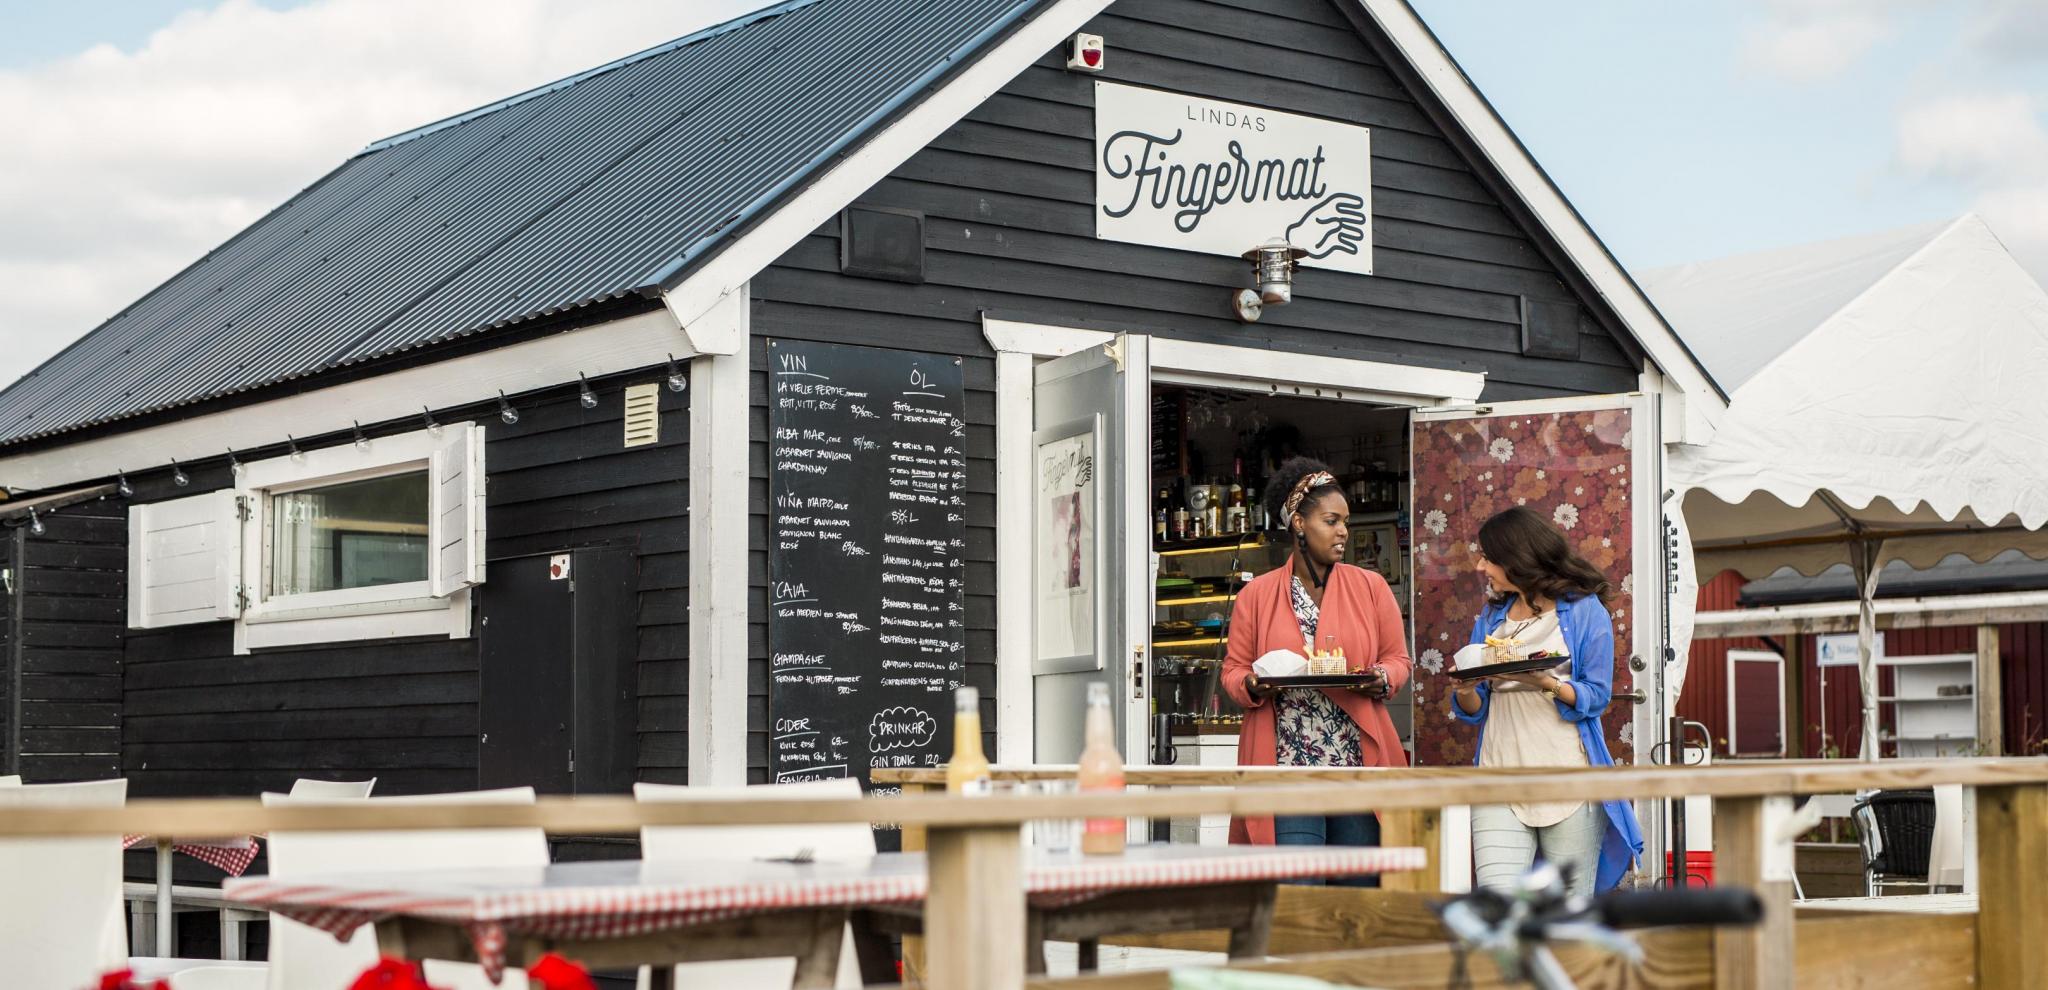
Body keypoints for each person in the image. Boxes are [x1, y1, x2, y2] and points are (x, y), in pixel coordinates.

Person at [1221, 457, 1412, 877]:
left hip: (1358, 764)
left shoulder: (1371, 586)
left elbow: (1398, 661)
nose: (1343, 531)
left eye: (1346, 521)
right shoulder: (1256, 595)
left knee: (1357, 893)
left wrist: (1382, 678)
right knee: (1298, 886)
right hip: (1288, 766)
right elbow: (1233, 672)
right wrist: (1253, 684)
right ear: (1299, 524)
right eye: (1331, 520)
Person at [1451, 505, 1643, 895]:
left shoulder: (1585, 612)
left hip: (1567, 780)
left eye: (1488, 557)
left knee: (1567, 913)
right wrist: (1466, 690)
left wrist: (1544, 682)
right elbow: (1476, 709)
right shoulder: (1490, 620)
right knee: (1498, 907)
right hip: (1497, 776)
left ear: (1515, 558)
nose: (1480, 566)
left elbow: (1596, 696)